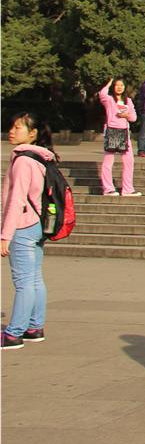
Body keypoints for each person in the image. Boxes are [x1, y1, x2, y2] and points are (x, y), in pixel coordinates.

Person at [2, 114, 57, 349]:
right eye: (12, 127)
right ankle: (34, 327)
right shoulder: (40, 157)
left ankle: (14, 333)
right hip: (37, 224)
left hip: (23, 225)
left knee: (24, 281)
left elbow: (17, 200)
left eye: (18, 128)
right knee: (34, 278)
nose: (11, 131)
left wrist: (5, 235)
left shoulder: (23, 161)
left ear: (32, 134)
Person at [98, 78, 140, 197]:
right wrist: (108, 84)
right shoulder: (109, 100)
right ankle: (108, 189)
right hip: (111, 130)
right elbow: (102, 94)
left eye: (121, 85)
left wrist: (127, 115)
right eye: (117, 85)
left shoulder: (128, 101)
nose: (119, 87)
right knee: (108, 160)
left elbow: (134, 118)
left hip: (124, 132)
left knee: (129, 161)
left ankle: (127, 189)